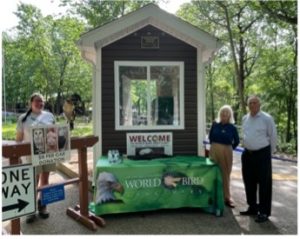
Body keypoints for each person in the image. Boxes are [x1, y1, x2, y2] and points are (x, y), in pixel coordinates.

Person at [16, 93, 56, 223]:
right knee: (33, 180)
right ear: (30, 103)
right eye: (37, 101)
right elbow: (18, 139)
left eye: (42, 101)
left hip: (48, 154)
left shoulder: (50, 116)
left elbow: (55, 133)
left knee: (45, 179)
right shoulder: (23, 118)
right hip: (31, 155)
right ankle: (30, 209)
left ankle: (42, 205)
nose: (40, 103)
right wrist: (17, 156)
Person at [240, 95, 277, 223]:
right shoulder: (245, 118)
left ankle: (264, 212)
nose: (252, 105)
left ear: (259, 104)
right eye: (250, 103)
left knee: (264, 184)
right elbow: (244, 134)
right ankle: (253, 207)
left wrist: (268, 154)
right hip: (247, 154)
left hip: (262, 154)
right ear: (247, 105)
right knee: (248, 181)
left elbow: (273, 137)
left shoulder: (267, 118)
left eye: (255, 103)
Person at [209, 105, 240, 208]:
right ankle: (212, 196)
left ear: (230, 115)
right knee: (212, 172)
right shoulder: (215, 124)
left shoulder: (232, 127)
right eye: (222, 112)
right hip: (214, 149)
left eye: (227, 113)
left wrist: (228, 149)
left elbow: (237, 141)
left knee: (225, 174)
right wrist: (215, 147)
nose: (224, 115)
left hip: (227, 151)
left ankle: (227, 197)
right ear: (220, 114)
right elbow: (210, 137)